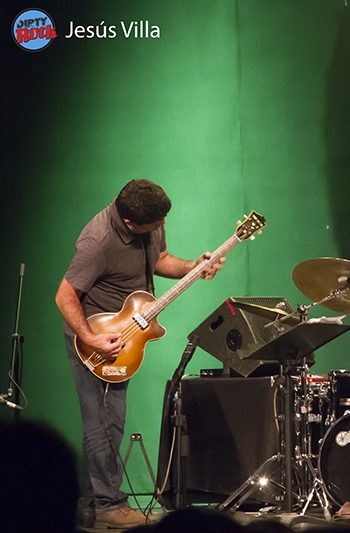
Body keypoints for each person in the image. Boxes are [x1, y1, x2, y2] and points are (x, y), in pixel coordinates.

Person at [55, 179, 224, 529]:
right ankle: (109, 505)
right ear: (131, 222)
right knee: (100, 422)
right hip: (94, 340)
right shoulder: (97, 240)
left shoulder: (149, 219)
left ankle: (91, 502)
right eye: (156, 225)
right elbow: (65, 296)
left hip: (126, 338)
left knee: (111, 422)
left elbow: (160, 260)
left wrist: (194, 265)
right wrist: (91, 338)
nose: (162, 227)